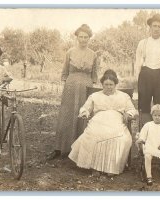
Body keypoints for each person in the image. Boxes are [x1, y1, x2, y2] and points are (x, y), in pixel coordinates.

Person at [68, 69, 138, 176]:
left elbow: (132, 110)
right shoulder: (95, 96)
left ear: (115, 84)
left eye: (111, 84)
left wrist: (128, 114)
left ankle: (111, 168)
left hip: (116, 121)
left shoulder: (124, 96)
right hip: (99, 120)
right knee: (93, 135)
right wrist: (84, 113)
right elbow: (85, 108)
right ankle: (94, 167)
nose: (109, 87)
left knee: (122, 138)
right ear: (102, 84)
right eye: (106, 84)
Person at [49, 24, 98, 159]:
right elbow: (64, 72)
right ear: (77, 37)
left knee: (83, 115)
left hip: (86, 87)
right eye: (81, 37)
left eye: (86, 37)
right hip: (70, 86)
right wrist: (65, 88)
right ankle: (60, 148)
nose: (83, 39)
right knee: (67, 115)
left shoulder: (93, 54)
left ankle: (81, 150)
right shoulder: (70, 52)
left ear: (89, 38)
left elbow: (94, 76)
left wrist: (93, 93)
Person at [134, 13, 160, 126]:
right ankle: (144, 129)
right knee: (144, 105)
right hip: (145, 74)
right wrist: (140, 79)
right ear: (150, 27)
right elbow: (137, 63)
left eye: (159, 26)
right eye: (154, 26)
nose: (156, 29)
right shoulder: (143, 43)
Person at [135, 104, 160, 186]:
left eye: (159, 115)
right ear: (152, 115)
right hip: (150, 145)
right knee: (148, 155)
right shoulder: (148, 125)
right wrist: (140, 140)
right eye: (155, 115)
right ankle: (149, 176)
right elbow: (143, 136)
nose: (157, 117)